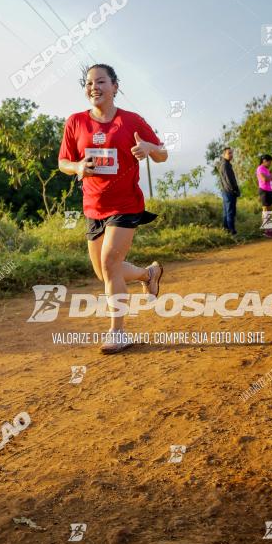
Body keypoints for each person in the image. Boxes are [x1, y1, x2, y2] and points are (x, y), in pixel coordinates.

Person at [58, 63, 167, 354]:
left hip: (126, 204)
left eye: (101, 81)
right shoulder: (75, 122)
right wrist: (78, 166)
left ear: (115, 86)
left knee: (110, 264)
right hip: (94, 207)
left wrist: (148, 148)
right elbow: (63, 162)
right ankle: (148, 274)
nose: (94, 87)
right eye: (89, 83)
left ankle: (117, 333)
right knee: (105, 273)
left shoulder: (132, 120)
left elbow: (162, 153)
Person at [218, 147, 240, 235]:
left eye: (231, 153)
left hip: (227, 191)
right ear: (224, 155)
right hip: (229, 192)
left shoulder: (227, 164)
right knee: (230, 212)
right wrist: (234, 190)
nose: (231, 155)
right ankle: (232, 232)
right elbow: (228, 181)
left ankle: (226, 231)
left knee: (227, 212)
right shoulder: (225, 165)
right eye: (229, 153)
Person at [256, 154, 272, 238]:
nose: (270, 163)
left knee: (270, 210)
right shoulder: (260, 168)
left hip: (270, 190)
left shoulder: (266, 169)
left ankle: (270, 229)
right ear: (264, 161)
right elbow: (264, 180)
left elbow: (270, 179)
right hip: (264, 190)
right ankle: (266, 230)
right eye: (269, 162)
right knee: (265, 209)